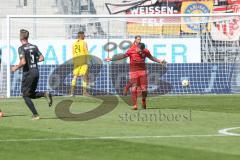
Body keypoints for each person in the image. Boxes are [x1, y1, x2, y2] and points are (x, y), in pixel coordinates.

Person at [106, 40, 166, 110]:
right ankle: (135, 105)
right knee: (134, 88)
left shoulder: (146, 51)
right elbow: (123, 56)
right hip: (133, 72)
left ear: (143, 49)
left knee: (144, 89)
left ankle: (143, 101)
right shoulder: (131, 50)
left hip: (142, 72)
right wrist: (112, 59)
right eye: (139, 50)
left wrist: (159, 61)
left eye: (141, 51)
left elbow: (151, 57)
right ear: (137, 47)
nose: (140, 52)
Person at [11, 29, 52, 120]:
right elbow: (41, 58)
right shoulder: (34, 46)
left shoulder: (21, 48)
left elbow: (23, 62)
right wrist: (33, 61)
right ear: (27, 37)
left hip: (28, 73)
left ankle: (35, 115)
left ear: (21, 37)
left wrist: (15, 68)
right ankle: (45, 93)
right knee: (31, 94)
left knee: (25, 95)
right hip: (36, 72)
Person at [70, 31, 89, 96]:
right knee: (84, 76)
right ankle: (84, 92)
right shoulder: (84, 43)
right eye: (84, 35)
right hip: (83, 60)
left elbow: (73, 52)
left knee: (75, 76)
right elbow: (86, 52)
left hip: (76, 60)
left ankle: (72, 93)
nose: (84, 36)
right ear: (81, 36)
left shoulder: (74, 43)